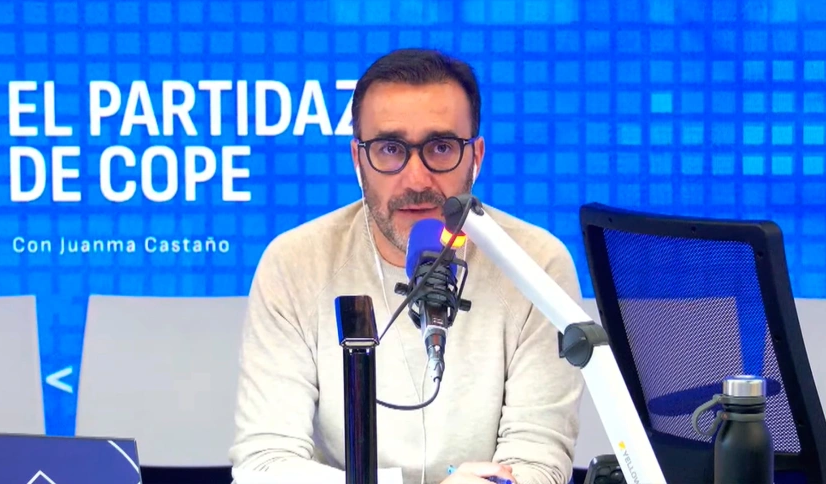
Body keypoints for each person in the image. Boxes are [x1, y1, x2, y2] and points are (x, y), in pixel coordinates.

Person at [229, 48, 585, 484]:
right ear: (358, 159)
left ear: (476, 156)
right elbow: (264, 463)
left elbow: (537, 465)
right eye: (390, 149)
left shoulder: (536, 266)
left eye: (441, 147)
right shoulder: (294, 263)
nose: (416, 180)